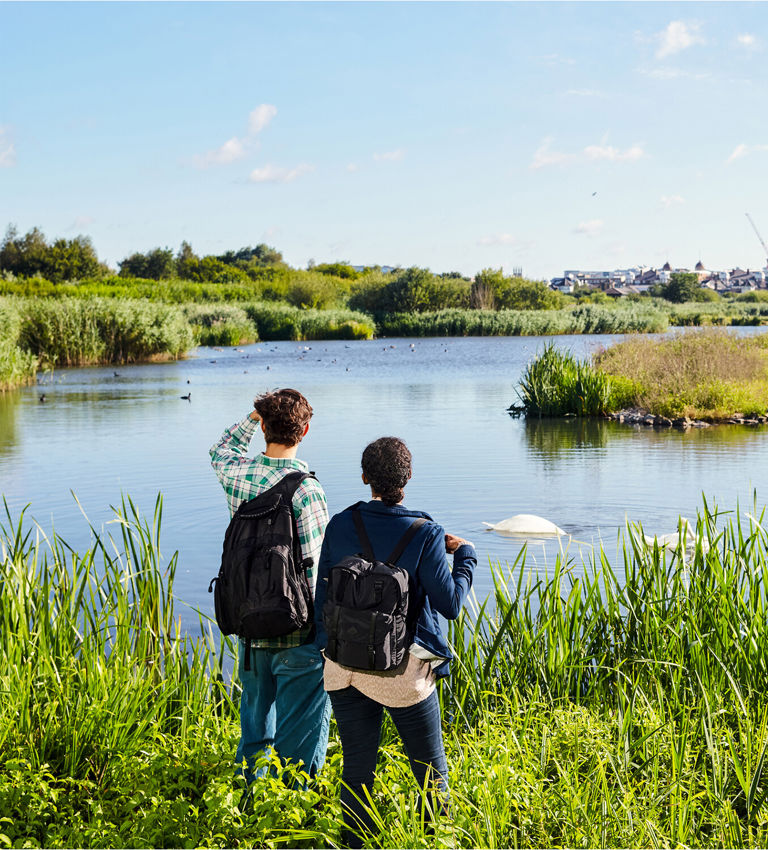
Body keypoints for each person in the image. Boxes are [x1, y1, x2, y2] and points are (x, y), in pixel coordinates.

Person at [314, 436, 477, 847]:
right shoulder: (426, 533)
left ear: (364, 478)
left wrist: (327, 654)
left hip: (344, 667)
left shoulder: (339, 524)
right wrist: (466, 556)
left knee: (357, 770)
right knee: (430, 774)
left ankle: (355, 843)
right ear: (408, 477)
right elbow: (450, 605)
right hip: (403, 674)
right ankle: (433, 842)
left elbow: (323, 597)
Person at [210, 388, 330, 784]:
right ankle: (294, 809)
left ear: (263, 427)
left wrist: (254, 415)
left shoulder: (238, 476)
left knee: (255, 735)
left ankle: (249, 804)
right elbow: (317, 571)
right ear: (305, 431)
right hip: (298, 635)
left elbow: (221, 449)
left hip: (250, 629)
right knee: (301, 743)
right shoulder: (307, 490)